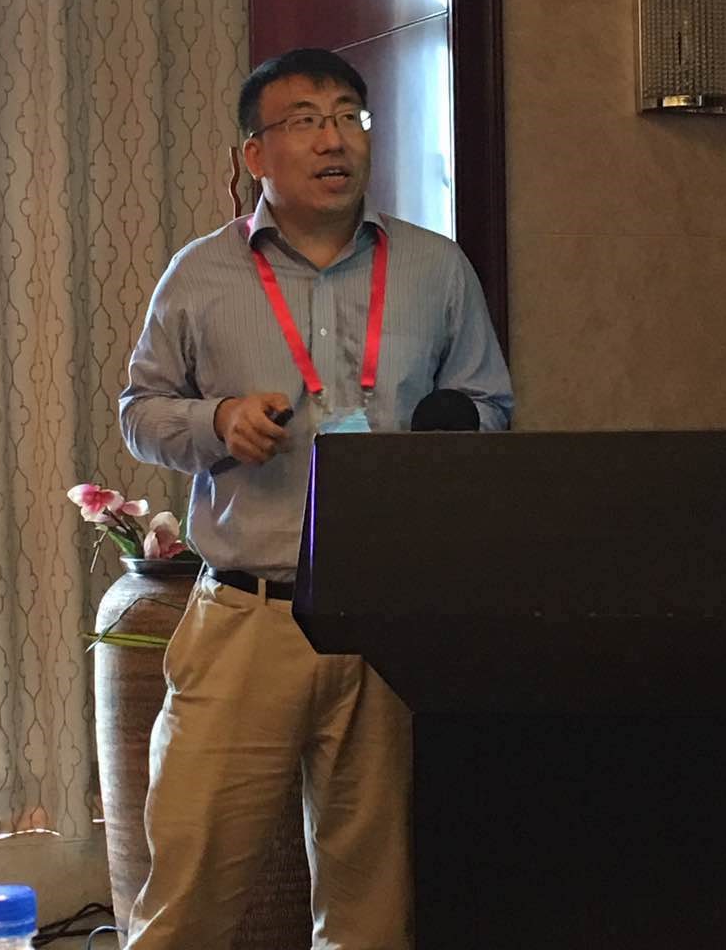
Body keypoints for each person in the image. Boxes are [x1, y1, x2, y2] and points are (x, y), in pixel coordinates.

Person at [119, 47, 513, 949]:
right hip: (249, 617)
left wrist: (448, 438)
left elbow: (491, 404)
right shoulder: (200, 275)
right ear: (256, 154)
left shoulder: (436, 269)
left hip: (391, 620)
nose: (333, 139)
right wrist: (217, 421)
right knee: (188, 901)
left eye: (348, 117)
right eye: (305, 121)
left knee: (372, 908)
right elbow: (140, 414)